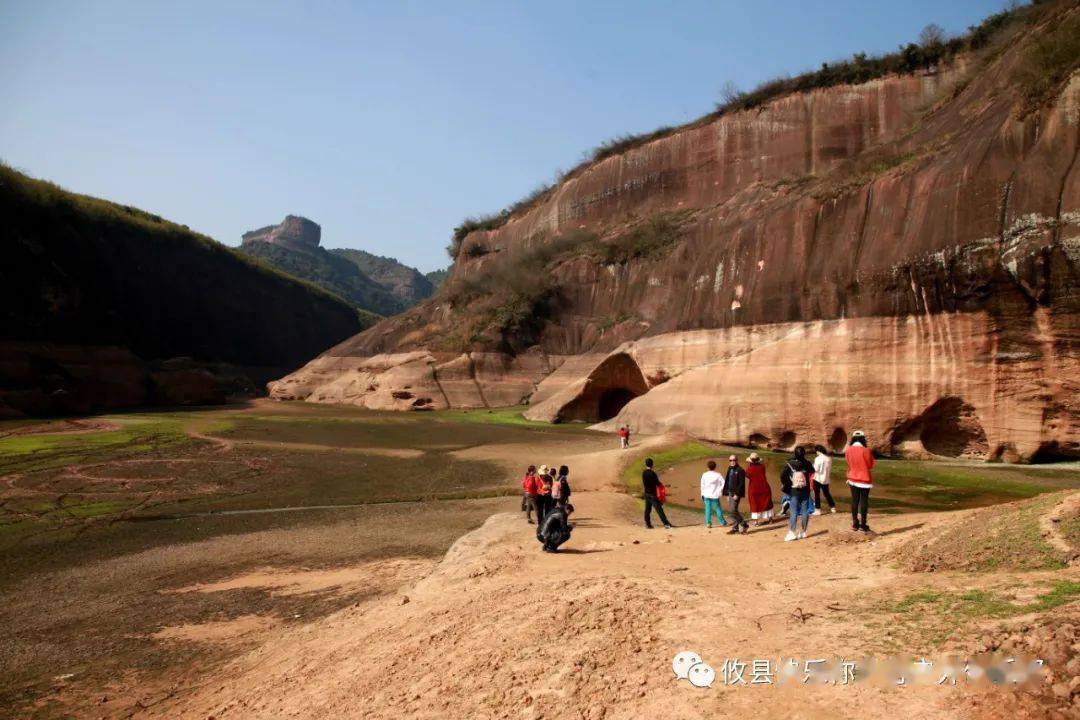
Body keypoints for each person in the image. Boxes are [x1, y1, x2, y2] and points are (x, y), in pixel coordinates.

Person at [781, 447, 814, 541]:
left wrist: (787, 485)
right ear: (804, 454)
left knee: (794, 511)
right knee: (805, 511)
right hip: (805, 490)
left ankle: (792, 532)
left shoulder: (790, 463)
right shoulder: (807, 463)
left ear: (795, 454)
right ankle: (803, 532)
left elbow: (782, 476)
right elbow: (812, 471)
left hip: (794, 490)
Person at [845, 430, 875, 532]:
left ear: (853, 439)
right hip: (865, 479)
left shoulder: (848, 450)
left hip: (852, 478)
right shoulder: (866, 450)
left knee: (854, 500)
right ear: (863, 439)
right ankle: (863, 524)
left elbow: (848, 463)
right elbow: (871, 465)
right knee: (864, 502)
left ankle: (855, 523)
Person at [642, 458, 672, 529]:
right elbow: (657, 483)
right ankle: (666, 524)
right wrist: (662, 487)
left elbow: (644, 482)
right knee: (659, 510)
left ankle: (647, 524)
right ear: (652, 464)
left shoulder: (644, 473)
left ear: (646, 464)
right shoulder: (652, 473)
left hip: (646, 493)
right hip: (652, 494)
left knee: (647, 510)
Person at [745, 453, 774, 525]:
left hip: (754, 488)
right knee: (767, 503)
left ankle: (756, 522)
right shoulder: (762, 467)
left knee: (754, 504)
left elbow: (748, 475)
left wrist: (750, 465)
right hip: (764, 486)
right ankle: (770, 519)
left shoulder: (749, 469)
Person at [724, 454, 749, 534]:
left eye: (734, 460)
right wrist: (727, 493)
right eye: (730, 460)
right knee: (732, 511)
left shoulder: (740, 470)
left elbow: (741, 484)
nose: (732, 462)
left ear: (737, 460)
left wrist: (737, 494)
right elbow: (727, 481)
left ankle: (744, 524)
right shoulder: (729, 468)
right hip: (730, 492)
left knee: (732, 511)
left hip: (736, 494)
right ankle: (735, 528)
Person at [699, 460, 727, 528]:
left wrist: (702, 494)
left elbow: (702, 485)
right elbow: (724, 483)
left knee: (707, 509)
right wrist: (719, 490)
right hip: (715, 495)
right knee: (718, 509)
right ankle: (722, 522)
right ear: (715, 467)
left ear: (708, 467)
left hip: (706, 495)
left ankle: (708, 523)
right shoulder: (718, 475)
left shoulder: (704, 474)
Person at [812, 445, 836, 514]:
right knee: (827, 494)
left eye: (816, 451)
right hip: (826, 479)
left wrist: (812, 465)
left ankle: (818, 510)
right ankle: (833, 507)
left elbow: (816, 469)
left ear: (818, 451)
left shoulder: (818, 458)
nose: (816, 453)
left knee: (817, 494)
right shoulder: (829, 458)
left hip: (817, 478)